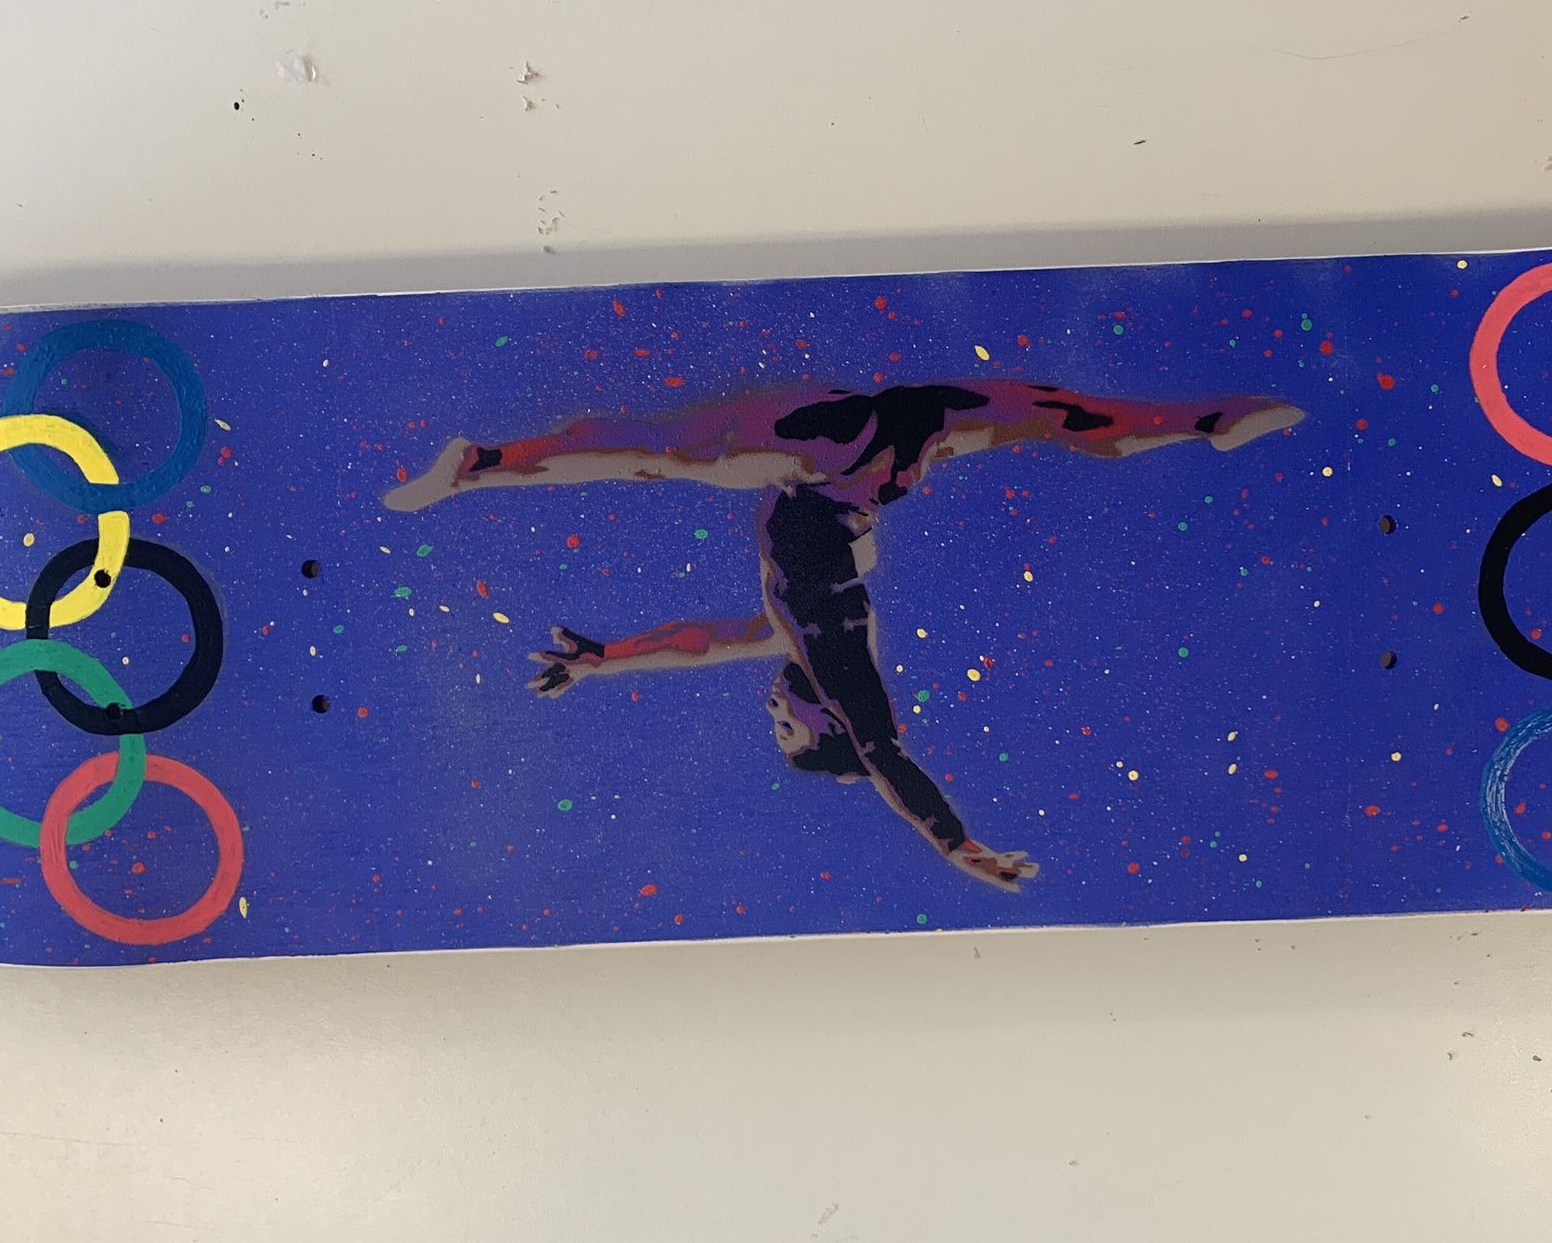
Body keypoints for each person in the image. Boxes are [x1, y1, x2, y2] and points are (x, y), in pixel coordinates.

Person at [385, 379, 1303, 888]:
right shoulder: (832, 661)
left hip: (875, 455)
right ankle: (480, 465)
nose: (773, 714)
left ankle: (1208, 421)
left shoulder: (790, 639)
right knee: (654, 452)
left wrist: (603, 658)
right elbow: (884, 752)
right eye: (789, 728)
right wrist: (956, 844)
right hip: (840, 464)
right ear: (825, 721)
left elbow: (698, 642)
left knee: (1053, 418)